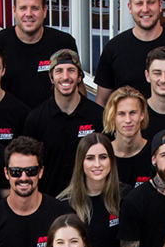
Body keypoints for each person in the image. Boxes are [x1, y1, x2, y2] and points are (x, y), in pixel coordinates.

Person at [22, 49, 105, 196]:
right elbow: (28, 165)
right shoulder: (36, 119)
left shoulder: (98, 116)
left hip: (89, 198)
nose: (65, 77)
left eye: (71, 70)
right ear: (51, 77)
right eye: (59, 71)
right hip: (49, 200)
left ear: (79, 77)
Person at [0, 0, 79, 109]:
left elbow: (78, 87)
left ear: (44, 11)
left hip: (52, 117)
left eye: (35, 8)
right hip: (8, 118)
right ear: (14, 11)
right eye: (23, 8)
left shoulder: (63, 43)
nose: (29, 14)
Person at [103, 86, 153, 188]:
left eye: (133, 113)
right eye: (121, 114)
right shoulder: (102, 155)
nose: (128, 120)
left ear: (142, 115)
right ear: (112, 116)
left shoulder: (155, 153)